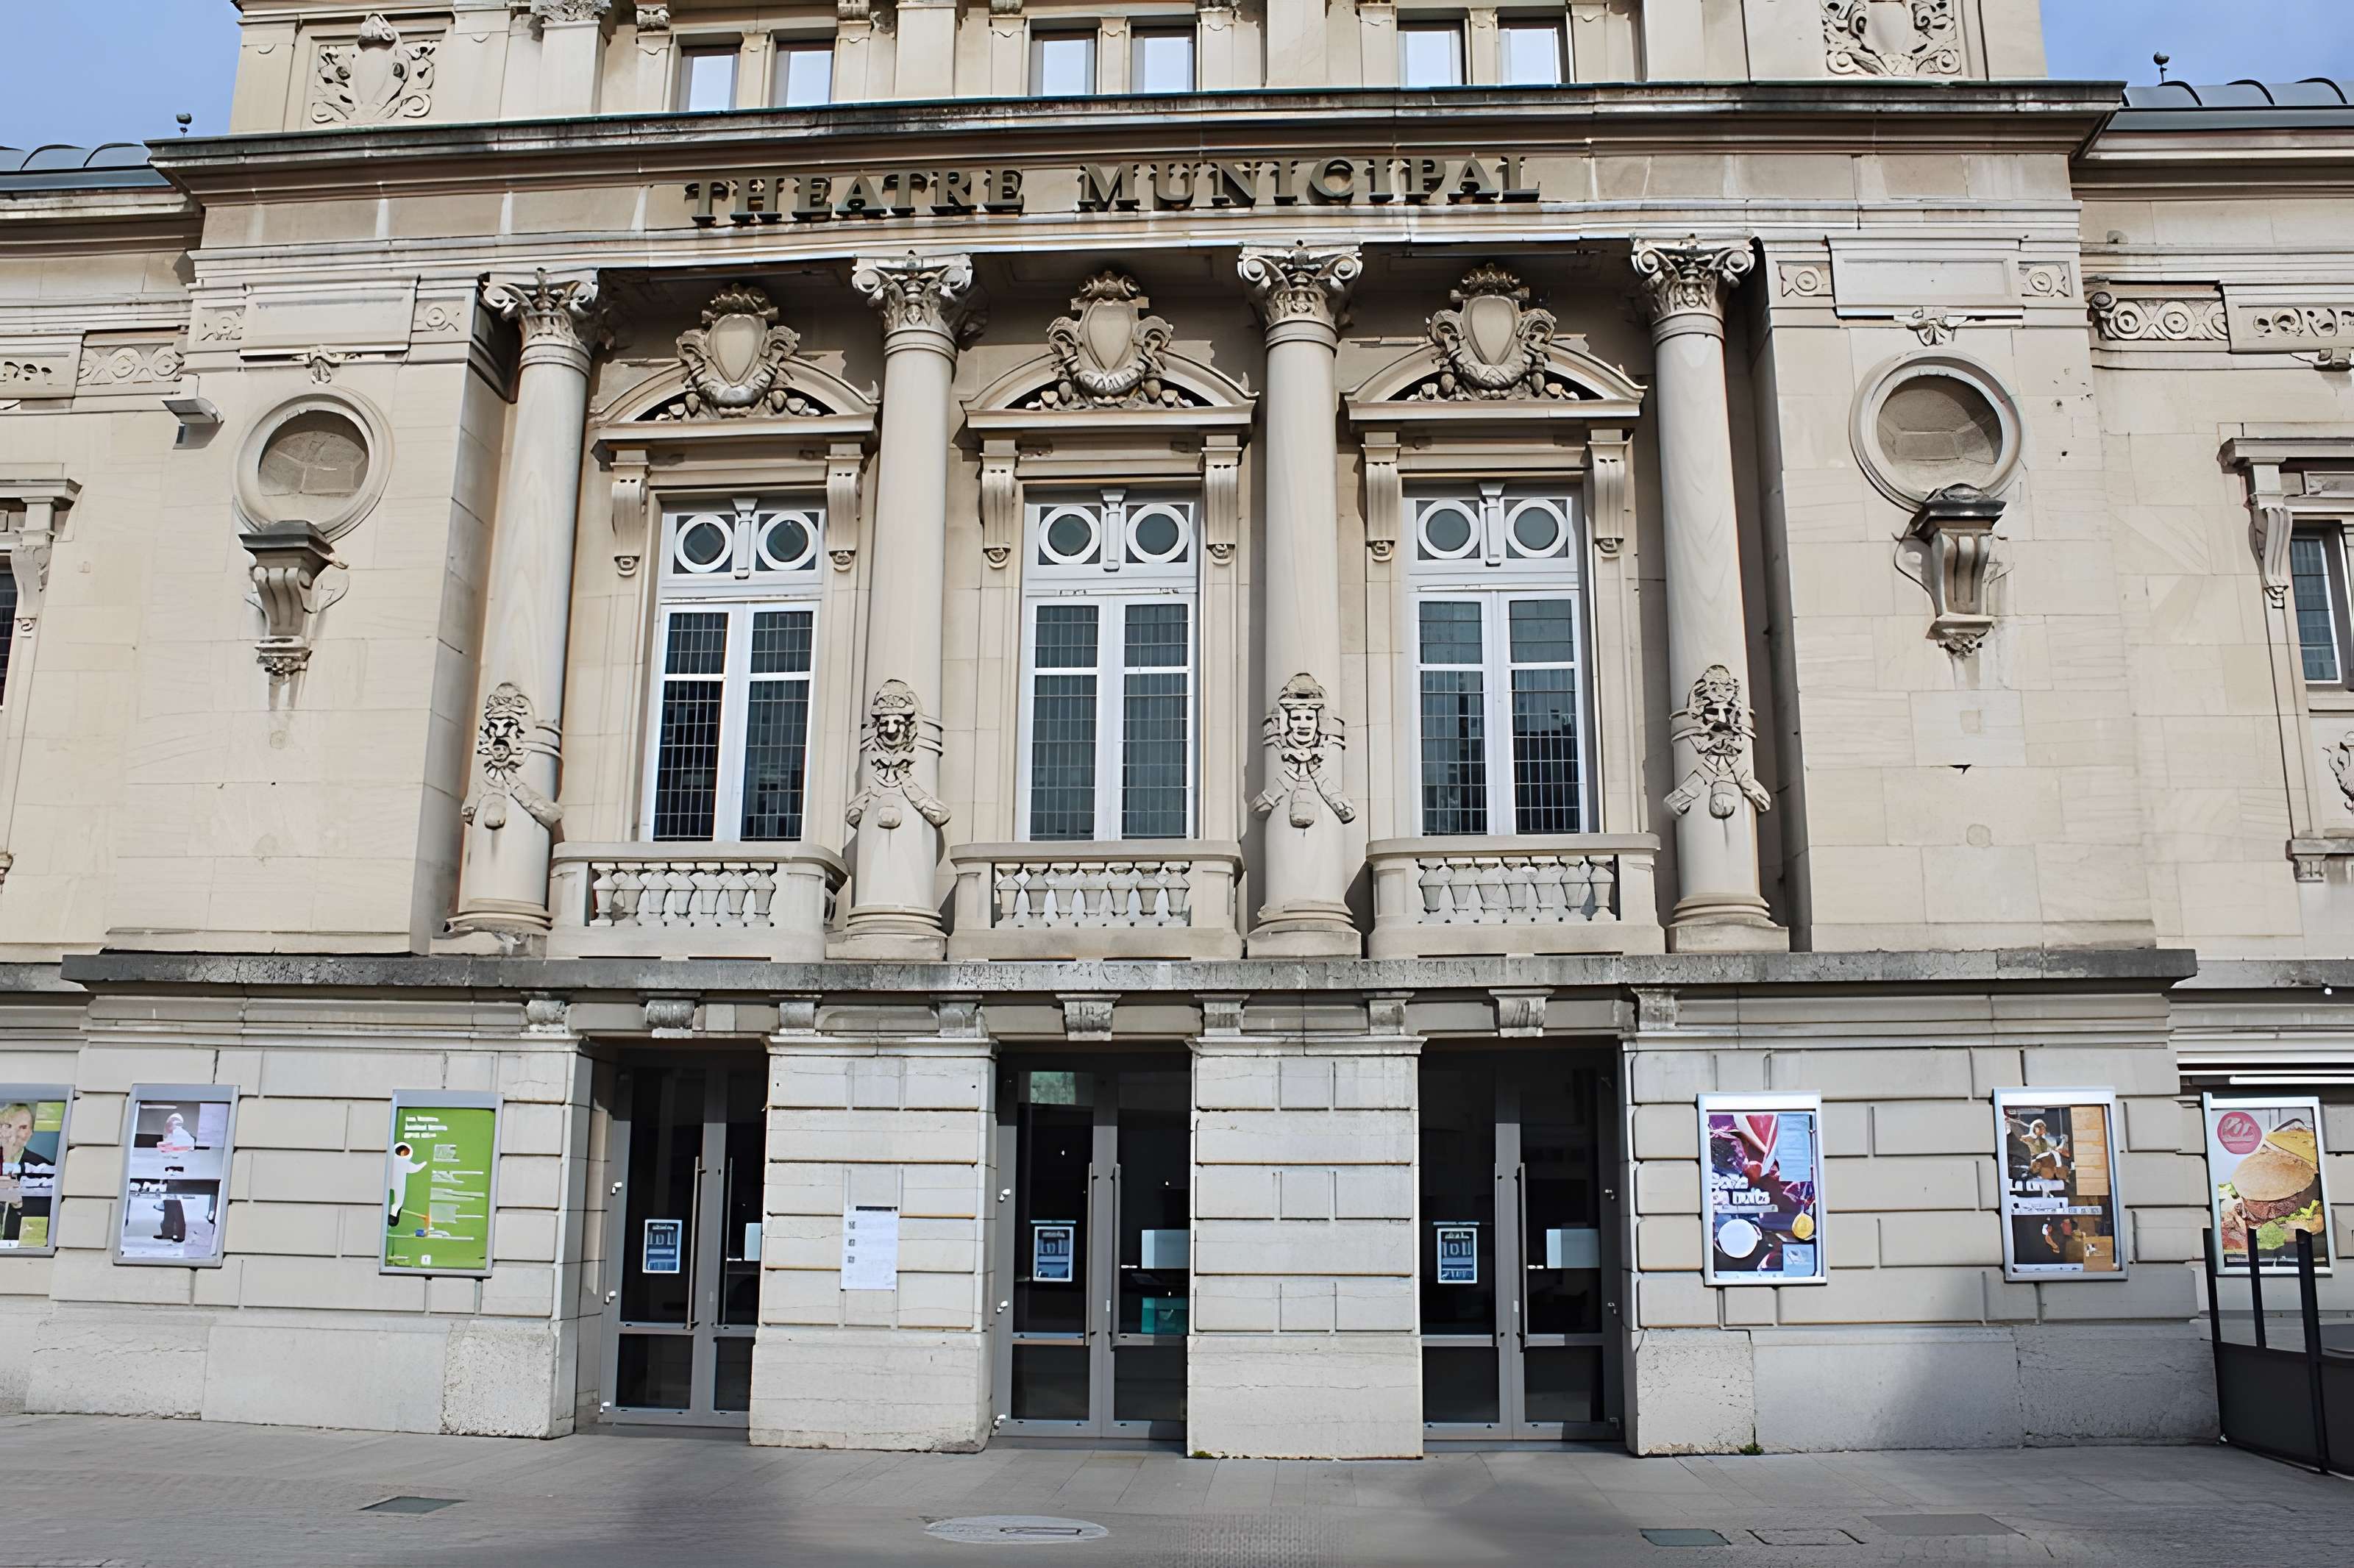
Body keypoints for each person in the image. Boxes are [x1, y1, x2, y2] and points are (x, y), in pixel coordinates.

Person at [0, 1101, 53, 1245]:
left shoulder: (43, 1168)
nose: (14, 1134)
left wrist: (19, 1203)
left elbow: (47, 1222)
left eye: (23, 1127)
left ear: (31, 1133)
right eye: (8, 1126)